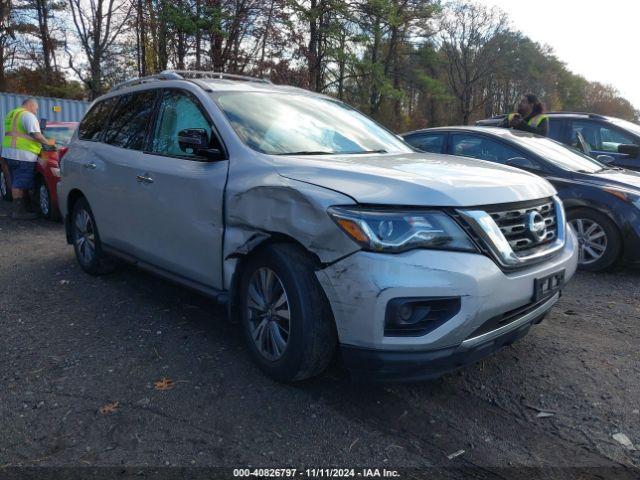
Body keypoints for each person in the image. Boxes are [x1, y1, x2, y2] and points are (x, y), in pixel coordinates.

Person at [1, 98, 55, 219]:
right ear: (30, 105)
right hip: (23, 155)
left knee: (16, 181)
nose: (35, 112)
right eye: (36, 109)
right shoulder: (28, 116)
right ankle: (19, 212)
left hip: (9, 153)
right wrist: (48, 143)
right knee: (20, 183)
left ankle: (20, 209)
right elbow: (36, 134)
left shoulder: (12, 114)